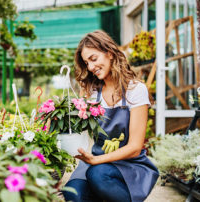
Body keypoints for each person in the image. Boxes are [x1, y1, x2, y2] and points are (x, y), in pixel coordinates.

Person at [62, 30, 159, 202]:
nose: (91, 67)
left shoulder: (135, 90)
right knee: (72, 192)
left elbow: (135, 147)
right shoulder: (92, 92)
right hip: (97, 161)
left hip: (129, 164)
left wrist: (96, 160)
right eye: (86, 63)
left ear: (110, 54)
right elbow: (79, 129)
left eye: (94, 59)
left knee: (98, 176)